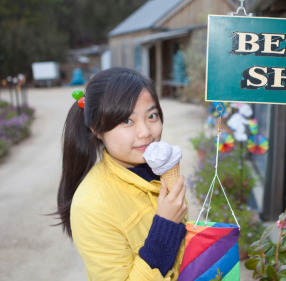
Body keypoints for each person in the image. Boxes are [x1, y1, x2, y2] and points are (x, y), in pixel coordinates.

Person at [55, 67, 188, 280]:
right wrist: (166, 226)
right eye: (127, 120)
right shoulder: (91, 205)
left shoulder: (157, 170)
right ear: (96, 130)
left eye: (152, 115)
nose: (146, 132)